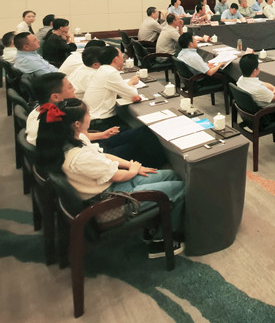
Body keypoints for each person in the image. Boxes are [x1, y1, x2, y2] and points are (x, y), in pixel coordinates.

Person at [35, 98, 184, 257]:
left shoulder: (75, 139)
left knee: (171, 175)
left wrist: (132, 165)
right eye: (88, 114)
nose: (90, 116)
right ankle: (161, 240)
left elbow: (104, 156)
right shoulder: (78, 157)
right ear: (77, 123)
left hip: (109, 186)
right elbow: (118, 176)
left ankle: (154, 224)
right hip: (109, 200)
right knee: (180, 187)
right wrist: (133, 170)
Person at [28, 72, 167, 167]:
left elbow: (71, 136)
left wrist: (102, 135)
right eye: (70, 87)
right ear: (55, 97)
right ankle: (161, 172)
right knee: (142, 145)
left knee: (144, 131)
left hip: (92, 147)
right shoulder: (49, 120)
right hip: (94, 158)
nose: (74, 89)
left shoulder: (46, 112)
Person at [83, 46, 142, 131]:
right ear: (115, 59)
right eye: (121, 56)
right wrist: (131, 83)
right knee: (141, 131)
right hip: (100, 122)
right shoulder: (110, 73)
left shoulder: (102, 70)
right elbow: (133, 95)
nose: (123, 59)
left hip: (91, 118)